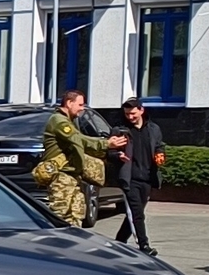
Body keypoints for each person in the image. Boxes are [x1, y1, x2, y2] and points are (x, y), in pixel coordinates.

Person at [37, 89, 124, 227]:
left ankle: (72, 244)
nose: (82, 109)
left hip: (72, 175)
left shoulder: (69, 120)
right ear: (69, 102)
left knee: (76, 213)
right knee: (60, 214)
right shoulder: (59, 121)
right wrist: (105, 143)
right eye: (80, 105)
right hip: (61, 176)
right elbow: (78, 140)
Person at [114, 97, 165, 255]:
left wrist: (160, 154)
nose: (130, 117)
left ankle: (119, 241)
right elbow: (109, 151)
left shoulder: (153, 129)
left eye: (133, 113)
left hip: (147, 178)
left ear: (141, 110)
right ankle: (144, 245)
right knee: (136, 213)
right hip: (129, 179)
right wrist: (117, 155)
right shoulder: (120, 130)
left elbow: (159, 145)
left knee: (135, 213)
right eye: (127, 114)